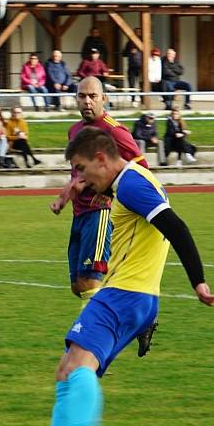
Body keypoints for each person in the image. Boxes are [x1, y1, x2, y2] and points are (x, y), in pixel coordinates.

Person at [44, 126, 214, 426]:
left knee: (77, 366)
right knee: (66, 369)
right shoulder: (129, 183)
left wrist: (197, 281)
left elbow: (176, 227)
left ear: (101, 159)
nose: (79, 178)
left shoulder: (133, 184)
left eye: (81, 168)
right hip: (131, 296)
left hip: (124, 294)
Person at [49, 76, 155, 356]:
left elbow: (142, 169)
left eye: (92, 96)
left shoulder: (115, 132)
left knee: (90, 282)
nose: (87, 101)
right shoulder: (75, 131)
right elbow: (77, 174)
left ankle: (90, 346)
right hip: (79, 214)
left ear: (103, 99)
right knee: (77, 285)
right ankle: (140, 317)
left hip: (101, 213)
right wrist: (63, 198)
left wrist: (111, 193)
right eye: (82, 96)